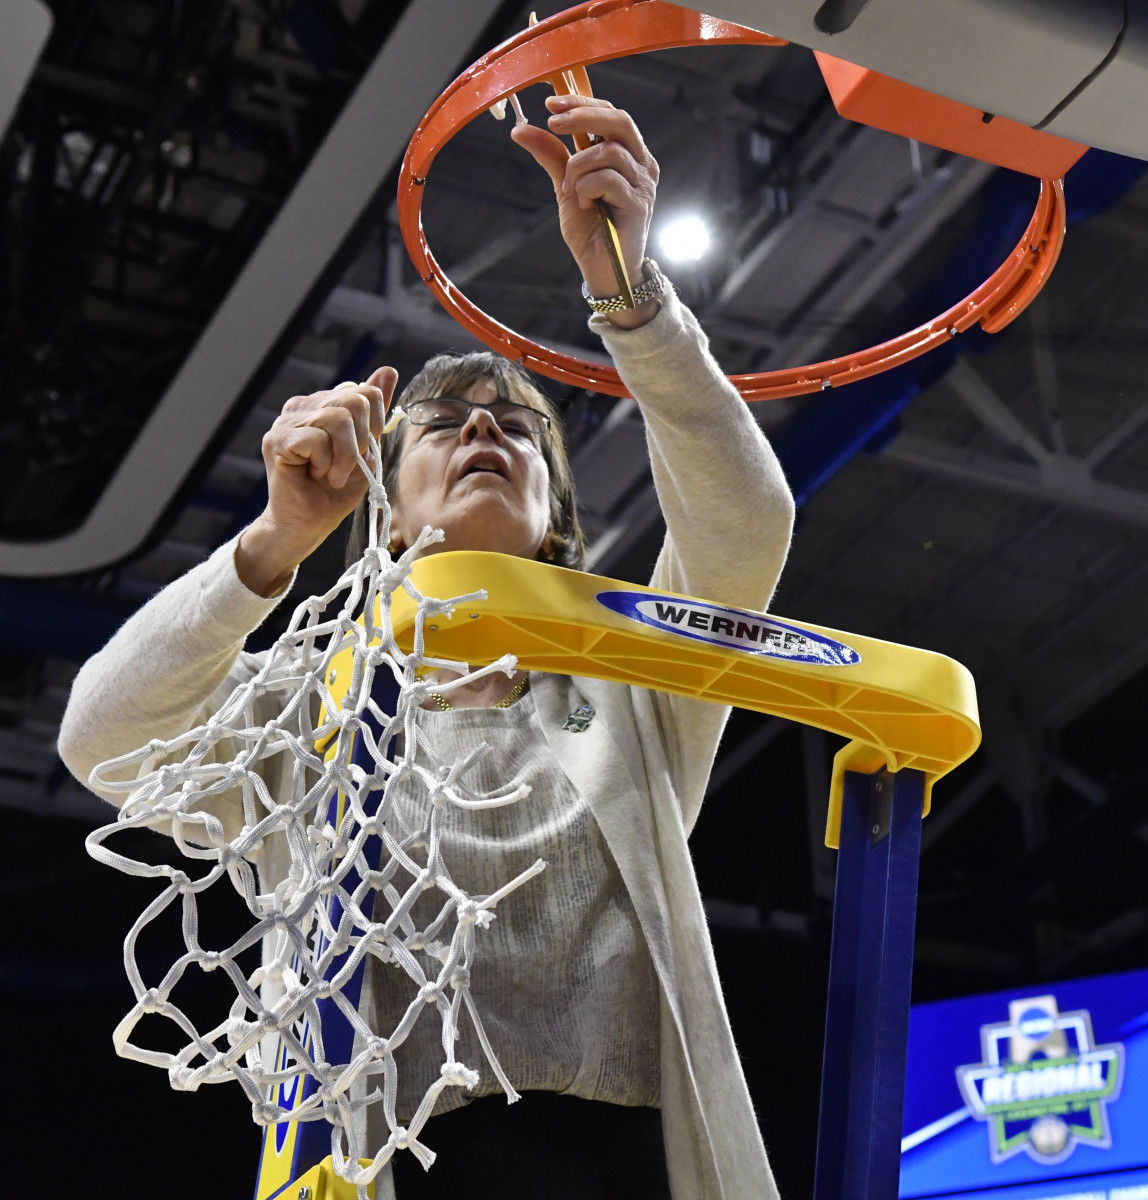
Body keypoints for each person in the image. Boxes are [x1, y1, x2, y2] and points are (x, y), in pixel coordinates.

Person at [59, 93, 795, 1200]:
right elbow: (103, 739)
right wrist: (275, 541)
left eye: (516, 427)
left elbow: (744, 527)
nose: (485, 430)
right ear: (388, 517)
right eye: (446, 425)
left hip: (629, 1162)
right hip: (387, 1154)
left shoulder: (629, 683)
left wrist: (628, 300)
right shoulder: (314, 699)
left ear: (553, 519)